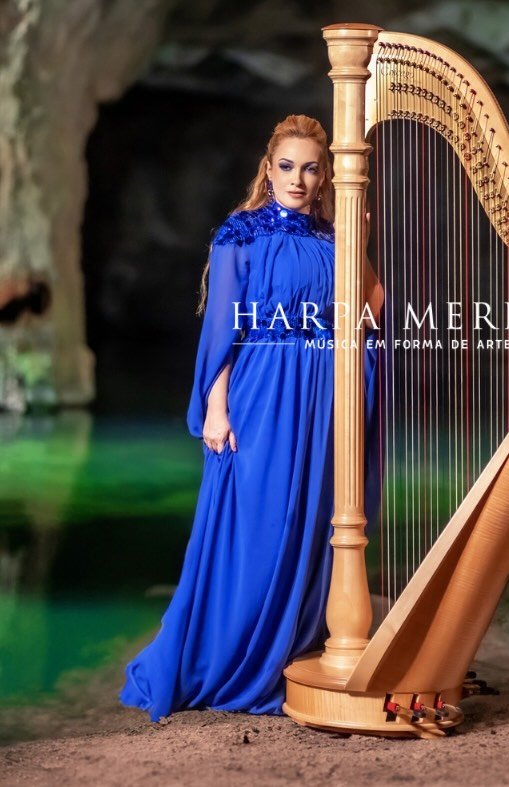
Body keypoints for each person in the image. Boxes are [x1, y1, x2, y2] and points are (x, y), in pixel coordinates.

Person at [119, 114, 382, 722]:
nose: (298, 178)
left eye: (311, 168)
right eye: (287, 166)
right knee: (256, 527)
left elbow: (372, 311)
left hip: (322, 399)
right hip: (262, 396)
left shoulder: (331, 238)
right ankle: (226, 659)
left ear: (325, 177)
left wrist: (358, 245)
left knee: (311, 525)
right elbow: (220, 331)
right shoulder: (239, 234)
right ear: (269, 170)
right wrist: (216, 405)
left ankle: (293, 651)